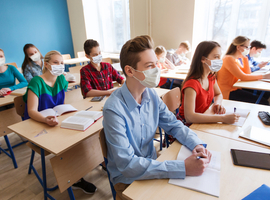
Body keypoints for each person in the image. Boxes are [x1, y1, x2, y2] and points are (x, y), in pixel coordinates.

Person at [103, 35, 212, 200]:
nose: (157, 69)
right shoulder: (113, 109)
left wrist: (195, 143)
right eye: (149, 65)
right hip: (127, 180)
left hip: (152, 164)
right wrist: (182, 167)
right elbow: (127, 165)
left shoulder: (151, 95)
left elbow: (173, 124)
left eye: (156, 63)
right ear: (130, 71)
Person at [23, 50, 97, 194]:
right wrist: (45, 119)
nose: (59, 66)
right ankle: (75, 179)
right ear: (47, 64)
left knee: (80, 134)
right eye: (56, 63)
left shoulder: (61, 80)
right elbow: (32, 111)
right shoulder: (36, 81)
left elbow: (59, 106)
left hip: (55, 121)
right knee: (68, 142)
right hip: (37, 124)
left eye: (62, 63)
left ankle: (83, 168)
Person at [178, 41, 239, 127]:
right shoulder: (191, 85)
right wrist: (223, 118)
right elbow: (190, 117)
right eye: (216, 57)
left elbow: (218, 94)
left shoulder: (210, 76)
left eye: (219, 57)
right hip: (188, 126)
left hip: (203, 118)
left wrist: (217, 103)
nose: (219, 60)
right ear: (203, 59)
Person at [217, 36, 270, 105]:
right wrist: (264, 76)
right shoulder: (228, 59)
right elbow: (243, 77)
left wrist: (245, 57)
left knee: (266, 94)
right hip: (228, 91)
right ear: (238, 47)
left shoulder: (236, 59)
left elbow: (247, 73)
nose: (248, 49)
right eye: (247, 47)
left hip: (236, 88)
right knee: (264, 102)